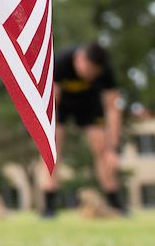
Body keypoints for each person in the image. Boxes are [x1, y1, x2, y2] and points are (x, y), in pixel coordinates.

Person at [41, 41, 125, 217]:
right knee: (52, 147)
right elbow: (51, 102)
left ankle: (114, 201)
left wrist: (113, 147)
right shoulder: (60, 62)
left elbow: (112, 108)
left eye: (95, 72)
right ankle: (49, 203)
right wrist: (48, 134)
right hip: (60, 104)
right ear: (79, 58)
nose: (90, 75)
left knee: (102, 148)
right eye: (89, 70)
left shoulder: (104, 71)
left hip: (89, 103)